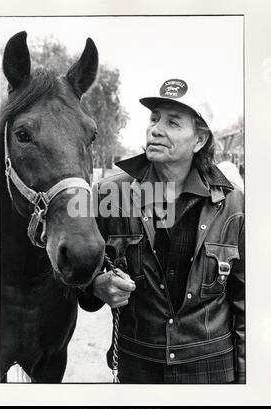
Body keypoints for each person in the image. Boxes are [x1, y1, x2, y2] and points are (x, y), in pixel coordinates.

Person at [78, 78, 245, 384]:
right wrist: (95, 285)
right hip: (139, 367)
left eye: (172, 122)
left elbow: (246, 303)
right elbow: (77, 271)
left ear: (199, 140)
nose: (155, 129)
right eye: (154, 119)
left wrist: (247, 385)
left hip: (212, 372)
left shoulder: (233, 203)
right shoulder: (108, 196)